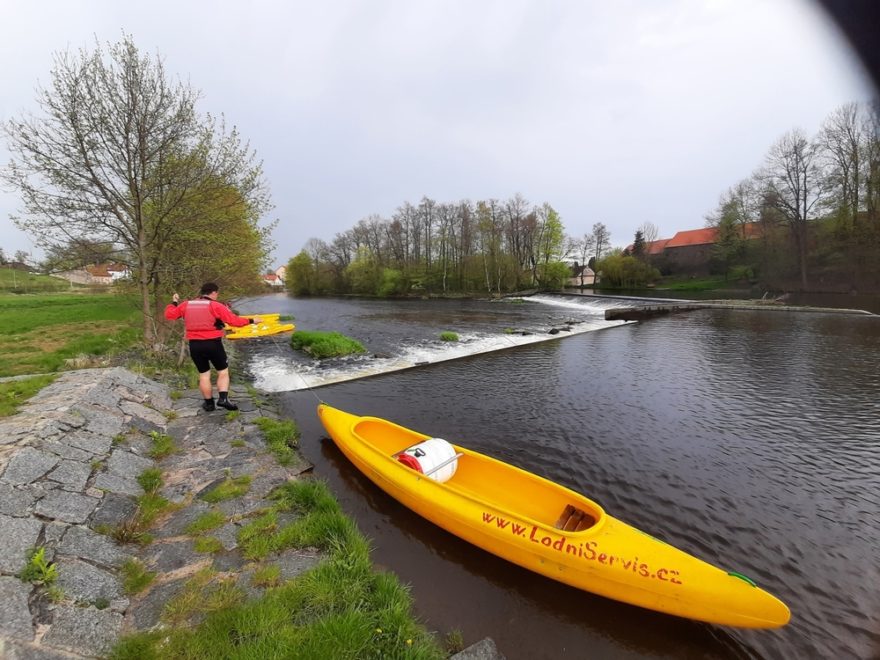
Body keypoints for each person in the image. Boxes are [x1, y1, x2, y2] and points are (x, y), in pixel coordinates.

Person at [164, 282, 261, 412]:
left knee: (204, 375)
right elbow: (234, 321)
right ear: (214, 292)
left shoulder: (186, 304)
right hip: (213, 344)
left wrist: (174, 301)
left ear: (202, 292)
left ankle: (209, 404)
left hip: (195, 345)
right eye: (217, 293)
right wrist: (252, 320)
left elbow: (170, 315)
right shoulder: (216, 305)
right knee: (223, 372)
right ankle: (223, 399)